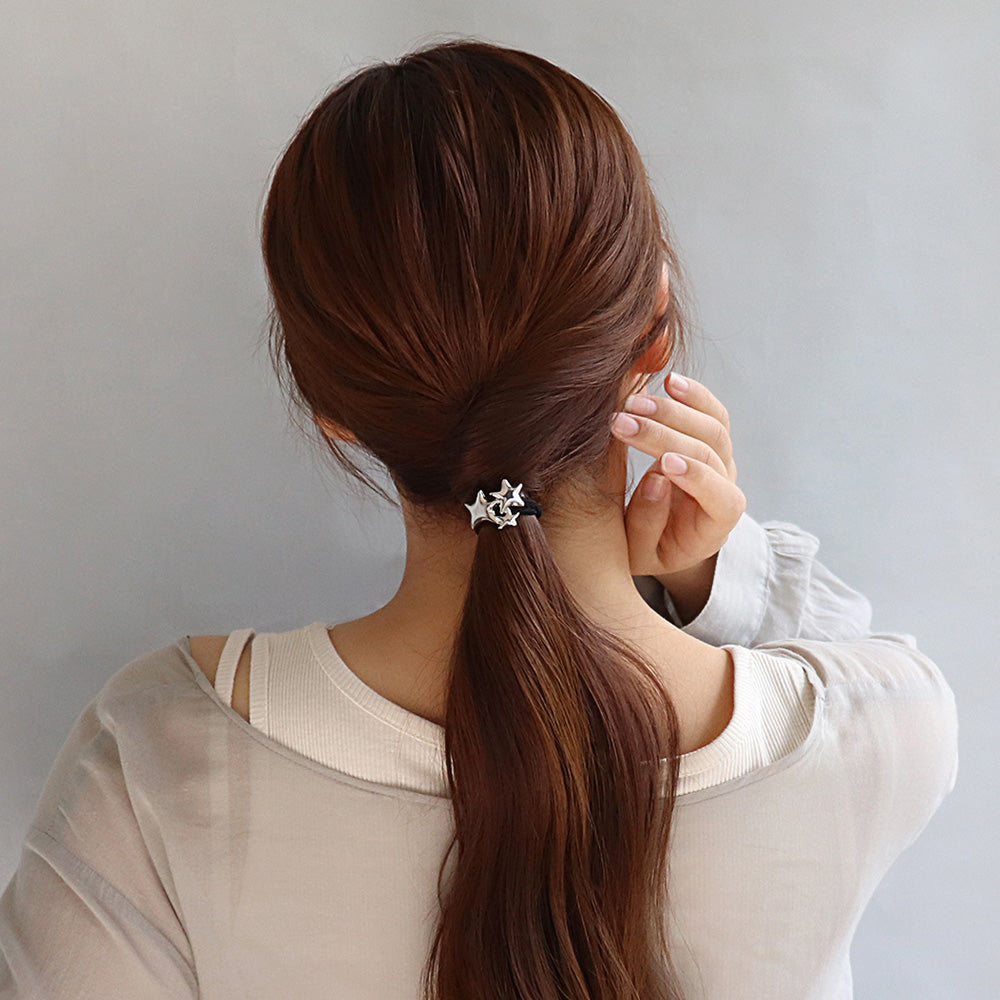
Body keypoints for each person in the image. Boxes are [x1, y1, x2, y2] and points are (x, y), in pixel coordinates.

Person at [0, 39, 958, 1000]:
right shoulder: (885, 735)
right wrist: (715, 579)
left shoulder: (159, 753)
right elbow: (829, 679)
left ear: (331, 403)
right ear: (654, 333)